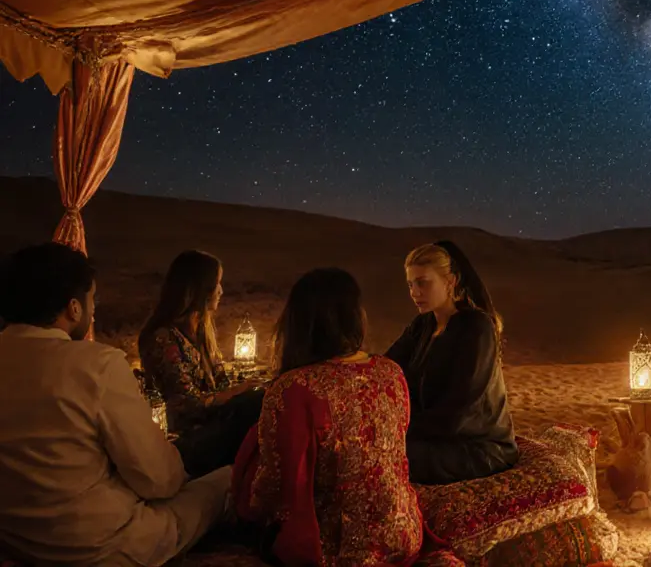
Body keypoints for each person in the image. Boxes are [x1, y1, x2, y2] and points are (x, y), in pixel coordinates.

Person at [0, 243, 230, 566]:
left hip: (17, 541)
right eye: (93, 299)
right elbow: (159, 478)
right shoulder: (96, 365)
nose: (94, 310)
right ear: (74, 309)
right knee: (227, 480)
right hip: (100, 546)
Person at [233, 268, 423, 566]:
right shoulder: (391, 372)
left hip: (334, 552)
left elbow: (272, 491)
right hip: (404, 536)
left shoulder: (294, 389)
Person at [386, 241, 519, 484]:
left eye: (423, 283)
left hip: (476, 447)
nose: (414, 292)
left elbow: (459, 411)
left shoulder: (476, 328)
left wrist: (399, 431)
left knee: (389, 457)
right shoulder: (423, 325)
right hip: (432, 437)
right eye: (410, 284)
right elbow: (388, 369)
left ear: (451, 281)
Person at [138, 250, 263, 476]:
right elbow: (188, 404)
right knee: (256, 408)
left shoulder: (202, 331)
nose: (221, 291)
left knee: (265, 400)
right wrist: (238, 391)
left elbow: (221, 383)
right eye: (217, 284)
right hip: (187, 439)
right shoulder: (163, 338)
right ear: (201, 290)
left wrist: (247, 386)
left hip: (213, 425)